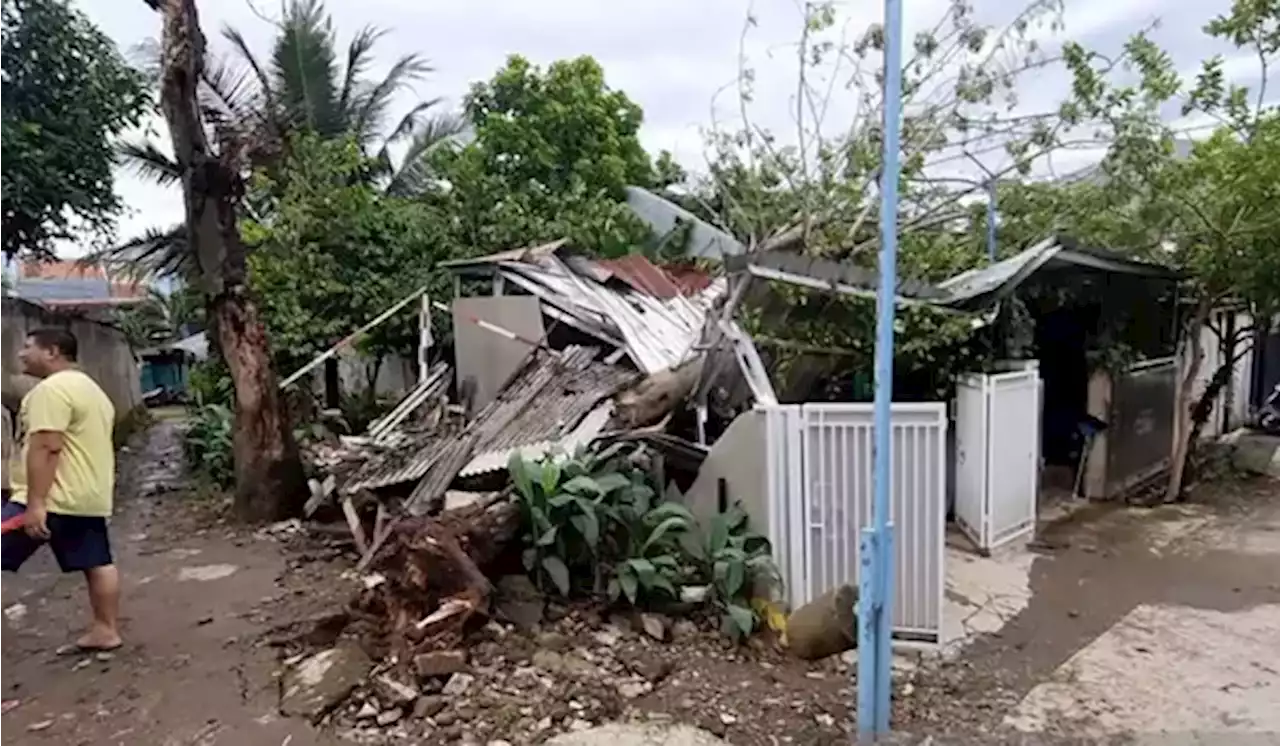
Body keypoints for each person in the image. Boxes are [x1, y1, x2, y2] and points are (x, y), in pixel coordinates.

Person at [0, 328, 121, 652]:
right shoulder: (92, 390)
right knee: (97, 562)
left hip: (50, 498)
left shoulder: (52, 391)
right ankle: (105, 630)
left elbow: (47, 447)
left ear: (52, 351)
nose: (21, 353)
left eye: (28, 347)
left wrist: (35, 504)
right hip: (86, 497)